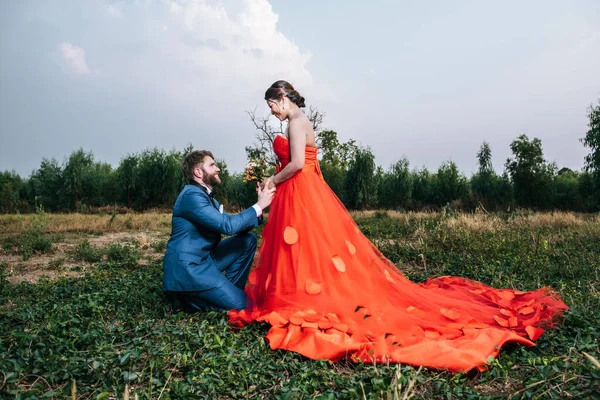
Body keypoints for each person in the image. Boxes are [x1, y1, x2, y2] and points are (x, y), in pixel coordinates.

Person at [228, 80, 568, 372]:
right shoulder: (302, 120)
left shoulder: (295, 122)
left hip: (300, 190)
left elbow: (299, 163)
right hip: (304, 190)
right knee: (309, 247)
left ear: (283, 98)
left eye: (273, 105)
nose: (273, 112)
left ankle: (302, 295)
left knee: (304, 246)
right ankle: (303, 291)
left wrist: (273, 178)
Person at [163, 150, 275, 311]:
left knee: (247, 240)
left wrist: (259, 205)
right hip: (190, 269)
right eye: (212, 165)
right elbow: (227, 226)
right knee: (247, 308)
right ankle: (188, 300)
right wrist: (259, 206)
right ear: (198, 172)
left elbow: (235, 224)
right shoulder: (191, 195)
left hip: (205, 261)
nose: (218, 169)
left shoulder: (209, 198)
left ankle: (227, 292)